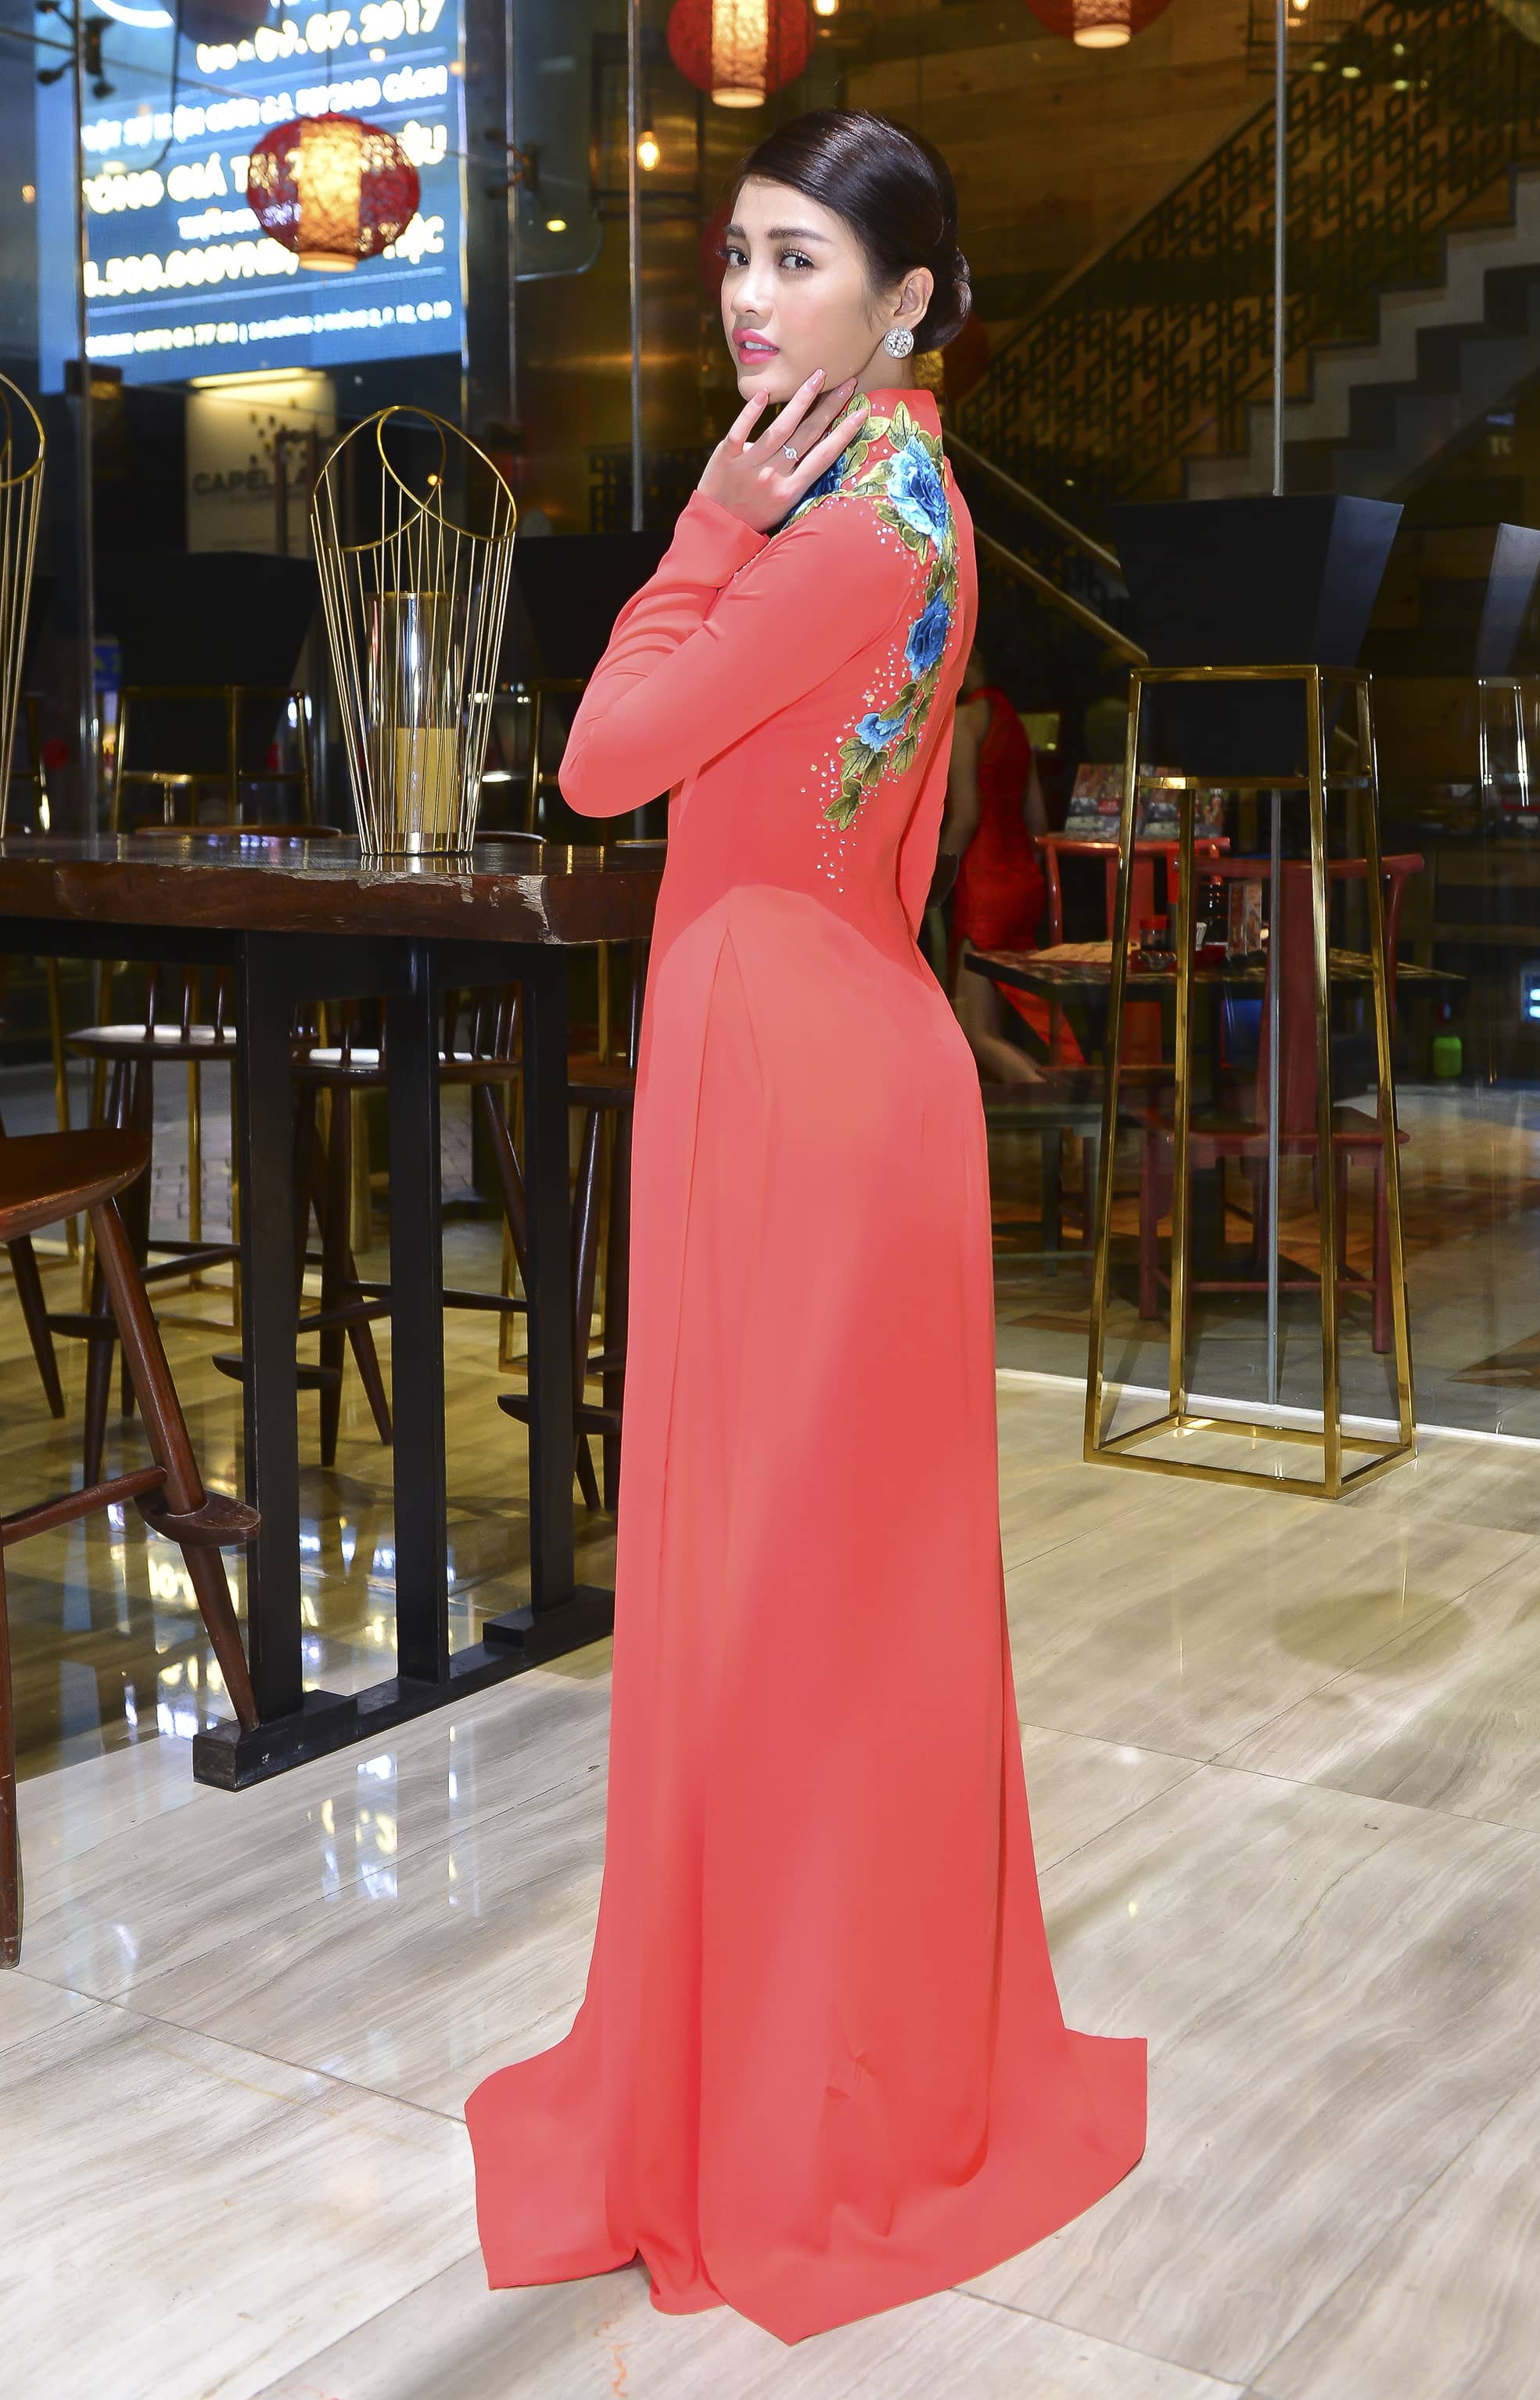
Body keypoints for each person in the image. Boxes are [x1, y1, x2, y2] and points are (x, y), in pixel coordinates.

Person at [465, 107, 1146, 2347]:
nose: (752, 302)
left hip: (787, 1066)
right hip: (842, 1046)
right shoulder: (917, 496)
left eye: (800, 263)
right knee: (830, 1614)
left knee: (776, 1613)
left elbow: (601, 761)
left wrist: (696, 528)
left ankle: (796, 2112)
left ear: (908, 299)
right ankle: (839, 2061)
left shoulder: (841, 519)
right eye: (740, 258)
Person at [938, 645, 1052, 1083]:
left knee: (975, 1030)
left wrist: (936, 878)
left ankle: (1057, 1104)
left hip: (983, 884)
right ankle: (1056, 1096)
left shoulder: (965, 722)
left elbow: (966, 817)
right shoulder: (1015, 724)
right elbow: (1038, 821)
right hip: (1023, 881)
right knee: (1001, 1024)